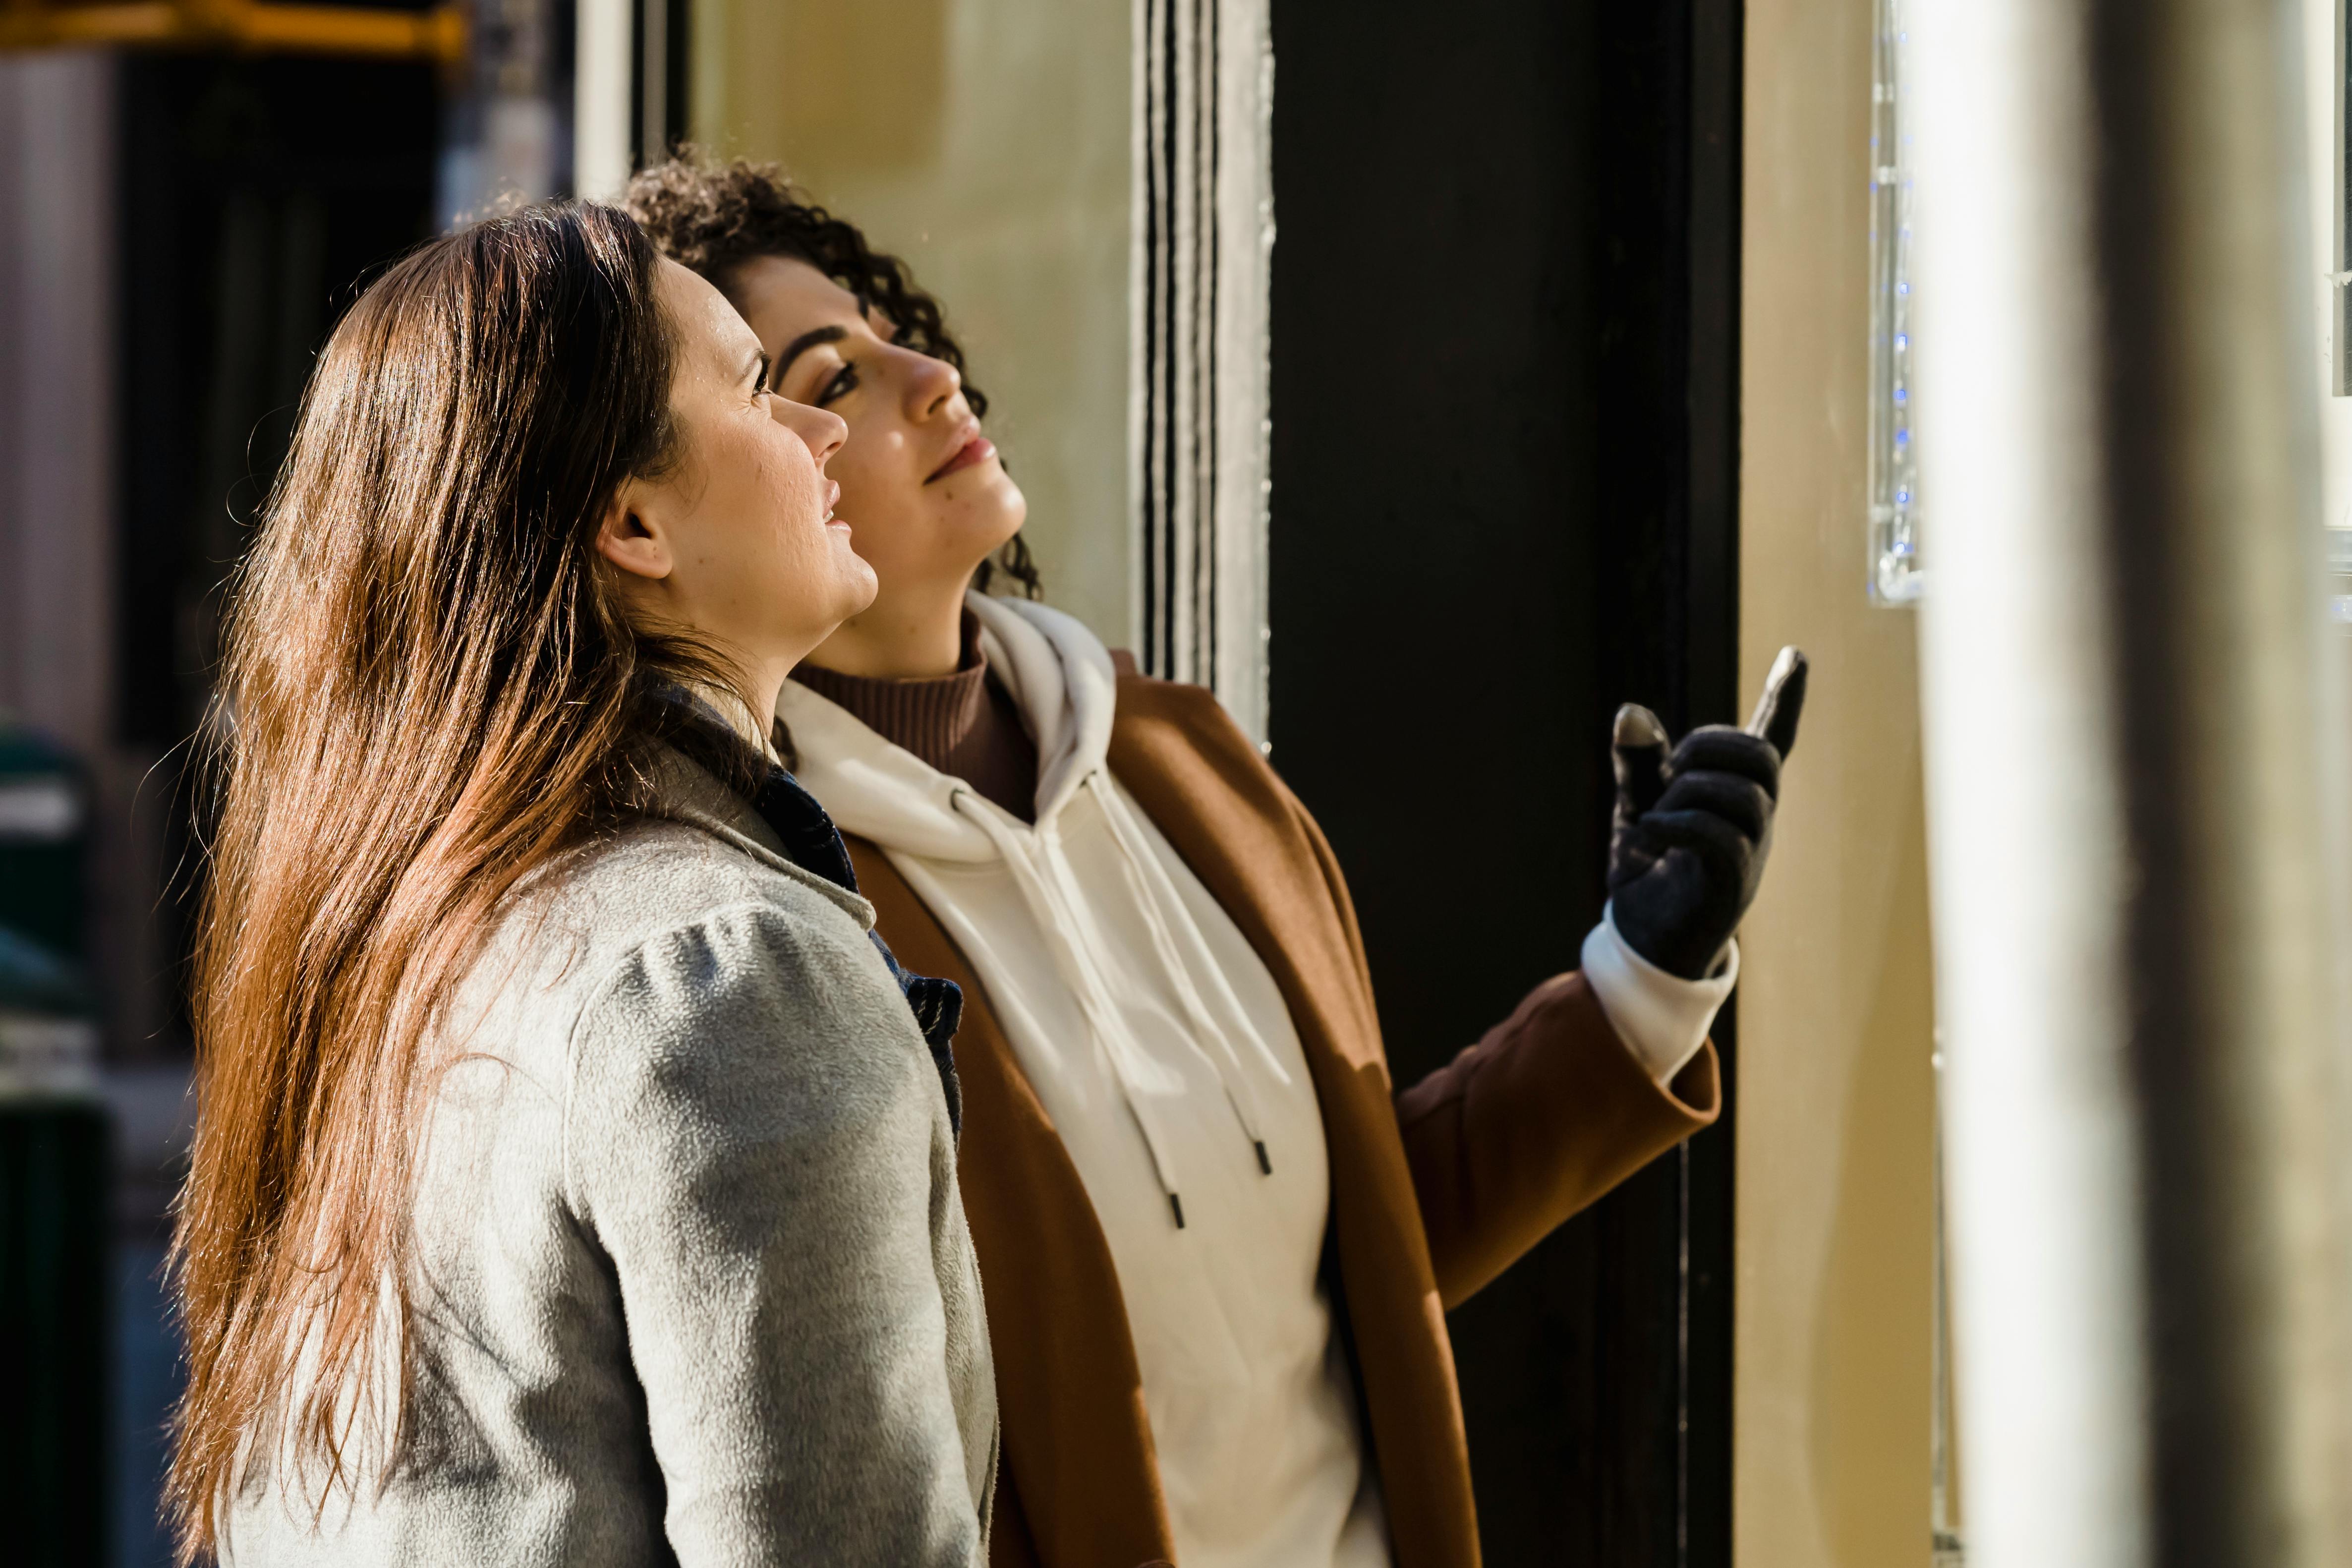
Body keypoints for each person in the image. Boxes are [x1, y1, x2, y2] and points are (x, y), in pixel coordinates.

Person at [629, 159, 1806, 1568]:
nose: (930, 374)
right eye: (832, 383)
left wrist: (1643, 976)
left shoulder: (1186, 763)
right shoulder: (771, 922)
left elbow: (1359, 1258)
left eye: (894, 329)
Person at [167, 202, 996, 1567]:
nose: (825, 429)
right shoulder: (728, 970)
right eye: (752, 387)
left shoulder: (396, 949)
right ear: (631, 523)